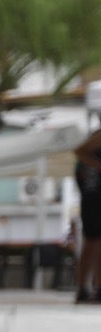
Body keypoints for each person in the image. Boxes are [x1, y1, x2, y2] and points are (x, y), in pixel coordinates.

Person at [74, 128, 101, 303]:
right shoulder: (97, 139)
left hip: (91, 195)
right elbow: (79, 151)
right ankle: (90, 288)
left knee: (93, 242)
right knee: (95, 242)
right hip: (94, 196)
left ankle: (88, 288)